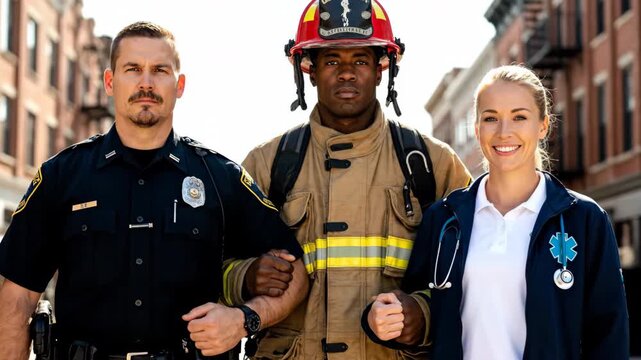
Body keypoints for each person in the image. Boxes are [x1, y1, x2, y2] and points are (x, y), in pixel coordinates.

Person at [0, 21, 308, 360]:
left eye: (160, 70)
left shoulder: (220, 178)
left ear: (179, 85)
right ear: (110, 81)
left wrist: (243, 320)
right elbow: (16, 301)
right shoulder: (62, 176)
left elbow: (295, 272)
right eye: (133, 69)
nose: (146, 82)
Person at [220, 1, 471, 359]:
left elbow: (475, 273)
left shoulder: (433, 164)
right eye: (332, 60)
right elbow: (206, 262)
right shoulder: (266, 165)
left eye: (361, 61)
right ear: (309, 70)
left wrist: (423, 316)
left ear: (382, 69)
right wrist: (244, 277)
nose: (347, 73)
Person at [363, 65, 630, 359]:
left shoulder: (584, 219)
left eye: (519, 117)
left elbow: (609, 334)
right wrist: (386, 318)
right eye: (491, 118)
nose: (504, 132)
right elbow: (419, 317)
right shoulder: (444, 219)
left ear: (543, 126)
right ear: (477, 129)